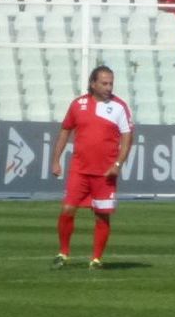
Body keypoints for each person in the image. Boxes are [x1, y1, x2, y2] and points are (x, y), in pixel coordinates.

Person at [49, 65, 132, 270]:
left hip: (105, 172)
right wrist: (56, 160)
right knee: (67, 209)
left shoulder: (119, 106)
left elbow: (127, 137)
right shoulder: (78, 104)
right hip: (79, 169)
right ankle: (63, 253)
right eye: (104, 83)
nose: (109, 87)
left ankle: (96, 259)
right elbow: (65, 130)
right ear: (93, 84)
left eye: (111, 83)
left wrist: (118, 164)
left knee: (101, 215)